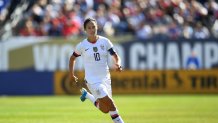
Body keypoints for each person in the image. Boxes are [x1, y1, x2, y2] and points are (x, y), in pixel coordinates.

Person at [69, 18, 125, 123]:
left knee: (105, 109)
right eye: (89, 28)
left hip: (105, 78)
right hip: (92, 80)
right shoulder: (82, 45)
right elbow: (72, 58)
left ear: (97, 27)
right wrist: (71, 74)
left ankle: (88, 96)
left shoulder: (105, 41)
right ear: (85, 30)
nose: (92, 29)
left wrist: (118, 63)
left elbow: (115, 56)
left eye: (93, 27)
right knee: (111, 104)